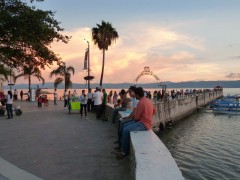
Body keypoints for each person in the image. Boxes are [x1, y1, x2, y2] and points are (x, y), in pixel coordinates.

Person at [115, 87, 155, 159]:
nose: (135, 96)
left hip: (144, 124)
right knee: (125, 126)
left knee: (126, 130)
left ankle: (124, 152)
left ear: (137, 94)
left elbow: (136, 117)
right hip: (146, 123)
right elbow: (154, 111)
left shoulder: (141, 103)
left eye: (135, 94)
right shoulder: (148, 100)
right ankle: (122, 148)